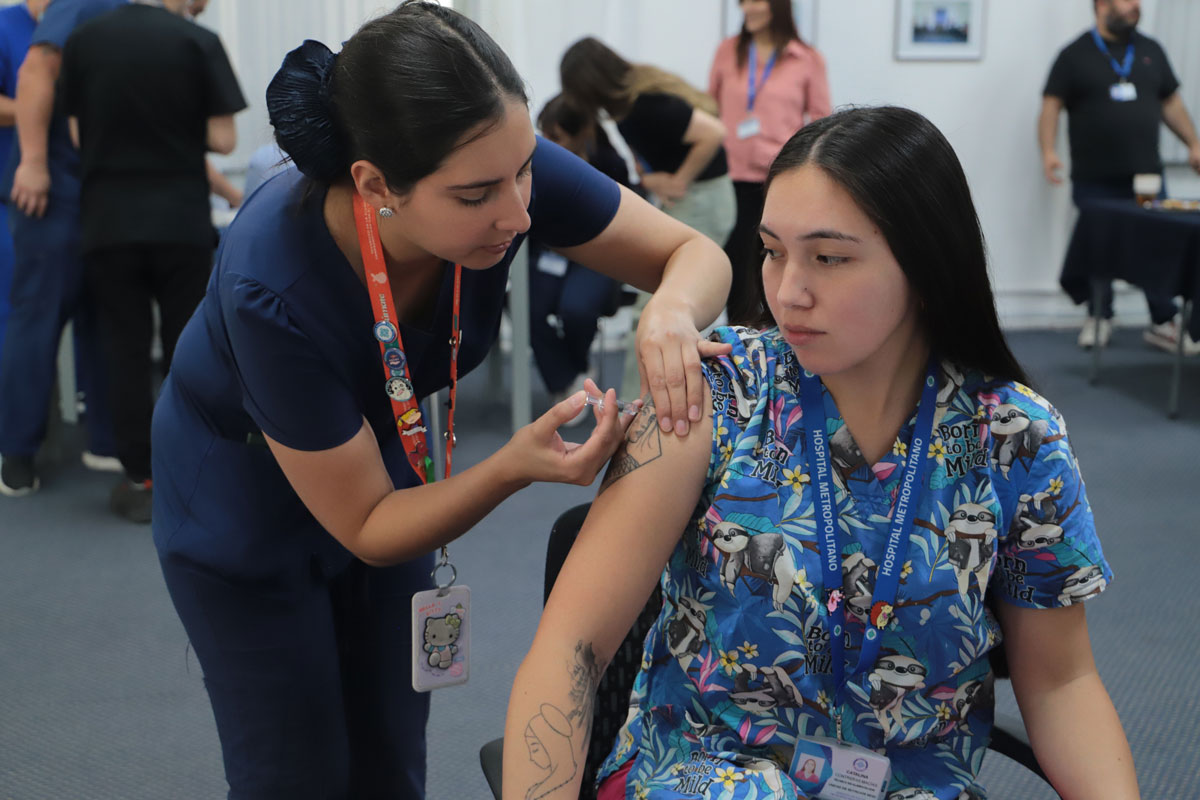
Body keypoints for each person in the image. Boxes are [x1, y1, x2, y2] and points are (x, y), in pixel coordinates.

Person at [151, 3, 731, 797]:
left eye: (524, 172)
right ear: (375, 185)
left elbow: (694, 253)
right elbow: (367, 524)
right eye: (477, 196)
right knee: (294, 769)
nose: (519, 214)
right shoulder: (271, 280)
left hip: (385, 452)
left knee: (392, 753)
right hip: (240, 494)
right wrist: (513, 468)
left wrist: (669, 311)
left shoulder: (494, 157)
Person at [504, 107, 1138, 800]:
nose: (787, 292)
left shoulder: (1014, 437)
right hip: (705, 772)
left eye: (829, 258)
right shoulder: (713, 393)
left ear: (928, 267)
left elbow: (1061, 681)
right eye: (772, 251)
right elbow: (572, 648)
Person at [59, 0, 246, 522]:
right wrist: (175, 121)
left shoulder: (84, 41)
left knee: (124, 348)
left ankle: (140, 475)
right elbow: (223, 138)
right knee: (189, 347)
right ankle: (192, 466)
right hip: (178, 221)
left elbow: (77, 136)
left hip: (109, 222)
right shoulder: (196, 42)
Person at [560, 36, 736, 398]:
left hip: (703, 201)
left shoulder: (647, 105)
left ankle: (636, 405)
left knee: (654, 312)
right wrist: (657, 180)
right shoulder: (630, 107)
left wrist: (680, 180)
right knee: (659, 306)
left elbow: (713, 133)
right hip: (694, 200)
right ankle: (652, 399)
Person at [0, 0, 123, 497]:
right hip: (45, 196)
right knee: (36, 319)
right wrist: (33, 157)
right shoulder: (28, 22)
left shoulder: (107, 9)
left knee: (106, 318)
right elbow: (34, 74)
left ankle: (106, 440)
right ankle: (16, 451)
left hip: (102, 193)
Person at [1039, 0, 1200, 353]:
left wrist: (1193, 143)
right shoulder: (1074, 55)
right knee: (1100, 248)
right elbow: (1051, 105)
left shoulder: (1151, 50)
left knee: (1157, 242)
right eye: (1126, 0)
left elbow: (1171, 103)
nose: (1135, 5)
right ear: (1101, 5)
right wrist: (1048, 151)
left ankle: (1163, 320)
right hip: (1095, 179)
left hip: (1146, 177)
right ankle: (1099, 316)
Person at [709, 0, 830, 322]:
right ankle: (740, 337)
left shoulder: (806, 59)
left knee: (781, 260)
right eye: (743, 2)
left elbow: (821, 121)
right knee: (737, 264)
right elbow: (710, 109)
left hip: (783, 181)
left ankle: (784, 331)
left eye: (755, 1)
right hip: (732, 179)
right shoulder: (728, 51)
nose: (747, 8)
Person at [530, 93, 629, 411]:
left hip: (597, 255)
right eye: (543, 134)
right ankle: (569, 377)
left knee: (577, 309)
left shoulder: (611, 164)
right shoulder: (535, 163)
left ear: (580, 133)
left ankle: (574, 373)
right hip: (549, 253)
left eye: (555, 136)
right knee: (526, 309)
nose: (546, 143)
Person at [0, 0, 45, 364]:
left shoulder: (87, 21)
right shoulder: (5, 27)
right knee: (14, 300)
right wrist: (40, 110)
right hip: (11, 196)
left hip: (75, 197)